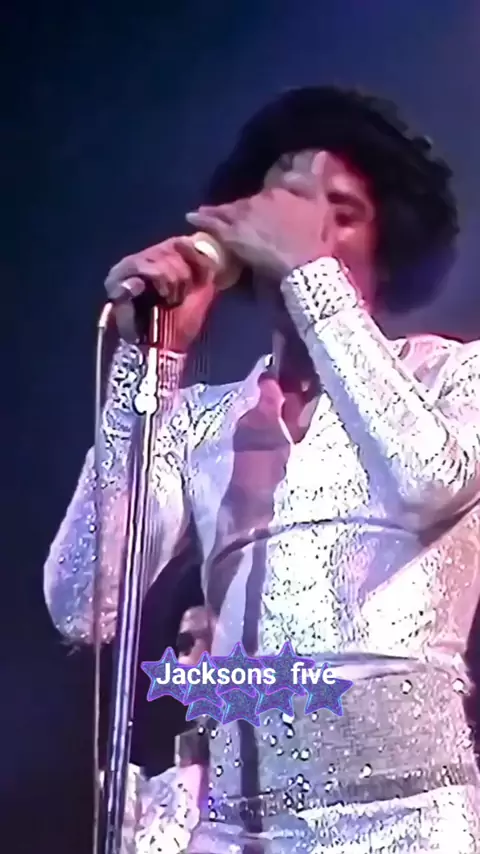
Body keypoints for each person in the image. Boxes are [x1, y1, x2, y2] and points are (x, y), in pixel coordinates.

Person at [43, 86, 480, 852]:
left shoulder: (452, 377)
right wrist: (150, 365)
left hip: (409, 821)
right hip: (236, 829)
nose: (303, 227)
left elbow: (430, 481)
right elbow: (84, 603)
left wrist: (311, 274)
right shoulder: (202, 421)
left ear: (388, 242)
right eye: (286, 202)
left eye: (342, 211)